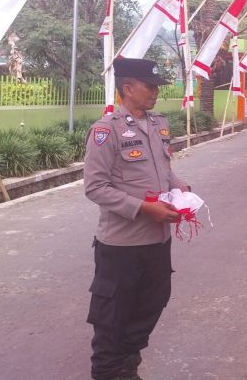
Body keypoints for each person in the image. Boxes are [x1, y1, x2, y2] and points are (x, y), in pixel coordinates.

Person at [83, 58, 191, 380]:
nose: (156, 92)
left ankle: (127, 367)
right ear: (127, 88)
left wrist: (180, 187)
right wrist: (144, 208)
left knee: (154, 302)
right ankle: (107, 371)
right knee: (112, 320)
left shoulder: (159, 123)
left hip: (157, 241)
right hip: (121, 246)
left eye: (157, 86)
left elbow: (164, 170)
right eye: (150, 86)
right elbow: (95, 187)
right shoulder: (106, 131)